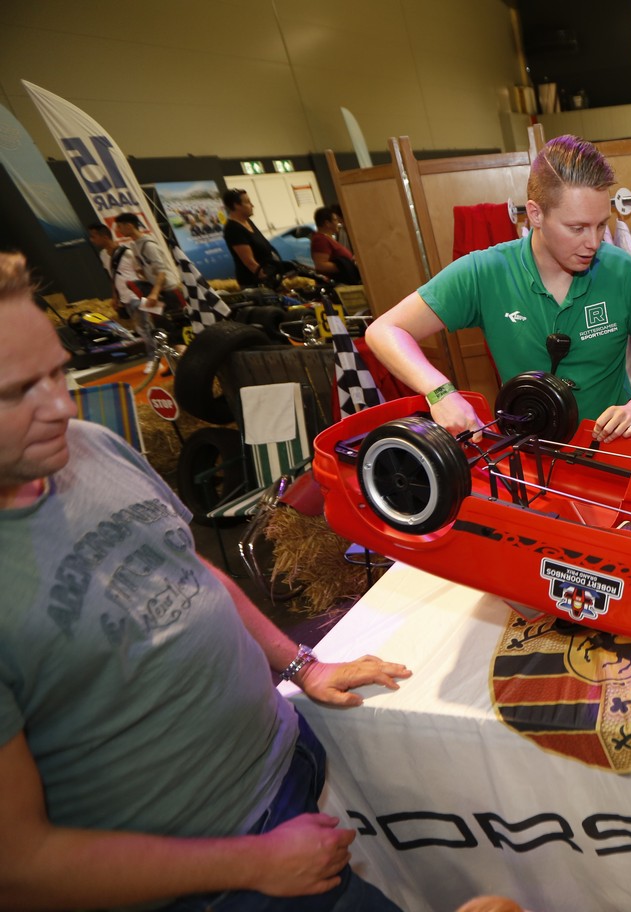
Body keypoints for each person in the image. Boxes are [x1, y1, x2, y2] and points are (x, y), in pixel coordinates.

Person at [0, 249, 412, 908]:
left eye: (57, 372)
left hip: (286, 774)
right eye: (17, 391)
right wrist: (251, 864)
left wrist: (302, 665)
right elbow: (19, 867)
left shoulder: (91, 446)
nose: (60, 405)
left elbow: (189, 570)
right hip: (213, 879)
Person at [366, 134, 631, 445]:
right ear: (535, 214)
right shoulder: (485, 271)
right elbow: (384, 330)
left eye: (601, 225)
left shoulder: (622, 271)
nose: (594, 242)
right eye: (577, 228)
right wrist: (440, 392)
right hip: (527, 453)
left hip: (611, 451)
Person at [87, 221, 153, 369]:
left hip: (136, 295)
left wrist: (149, 292)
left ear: (104, 236)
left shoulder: (128, 252)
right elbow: (113, 276)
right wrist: (115, 297)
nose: (92, 240)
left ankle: (153, 358)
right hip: (124, 297)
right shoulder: (103, 255)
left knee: (144, 328)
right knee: (141, 329)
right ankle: (154, 356)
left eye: (93, 236)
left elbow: (141, 272)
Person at [222, 187, 282, 289]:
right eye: (248, 202)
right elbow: (250, 262)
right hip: (254, 283)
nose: (252, 205)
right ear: (236, 205)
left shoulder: (247, 221)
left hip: (268, 276)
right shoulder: (233, 228)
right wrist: (269, 280)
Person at [310, 206, 361, 285]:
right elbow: (320, 265)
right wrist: (347, 265)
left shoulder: (328, 238)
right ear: (327, 223)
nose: (338, 223)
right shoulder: (320, 239)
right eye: (335, 220)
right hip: (339, 284)